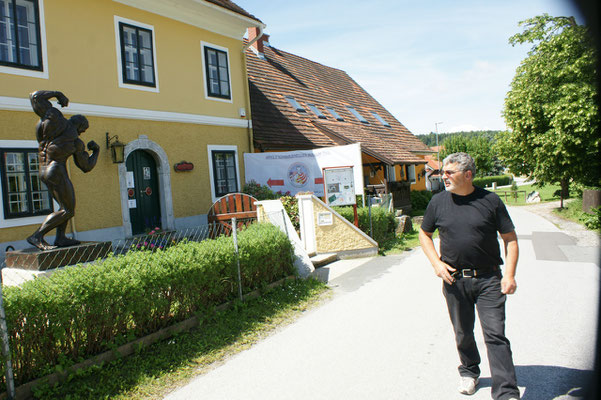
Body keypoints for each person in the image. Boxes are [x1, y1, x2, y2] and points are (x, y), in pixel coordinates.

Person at [419, 152, 520, 400]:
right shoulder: (438, 202)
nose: (443, 176)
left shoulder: (491, 201)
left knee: (495, 334)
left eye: (449, 172)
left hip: (489, 279)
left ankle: (506, 391)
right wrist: (437, 264)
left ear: (468, 174)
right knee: (463, 332)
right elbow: (424, 234)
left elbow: (510, 239)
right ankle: (469, 371)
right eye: (443, 172)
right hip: (454, 280)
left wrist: (509, 275)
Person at [27, 90, 99, 251]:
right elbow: (86, 167)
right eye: (83, 130)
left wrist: (58, 95)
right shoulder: (75, 141)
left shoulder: (53, 118)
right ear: (80, 126)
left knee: (63, 206)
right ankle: (37, 236)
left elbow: (35, 97)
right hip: (57, 170)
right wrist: (96, 151)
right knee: (68, 210)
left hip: (44, 170)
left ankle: (61, 238)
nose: (81, 133)